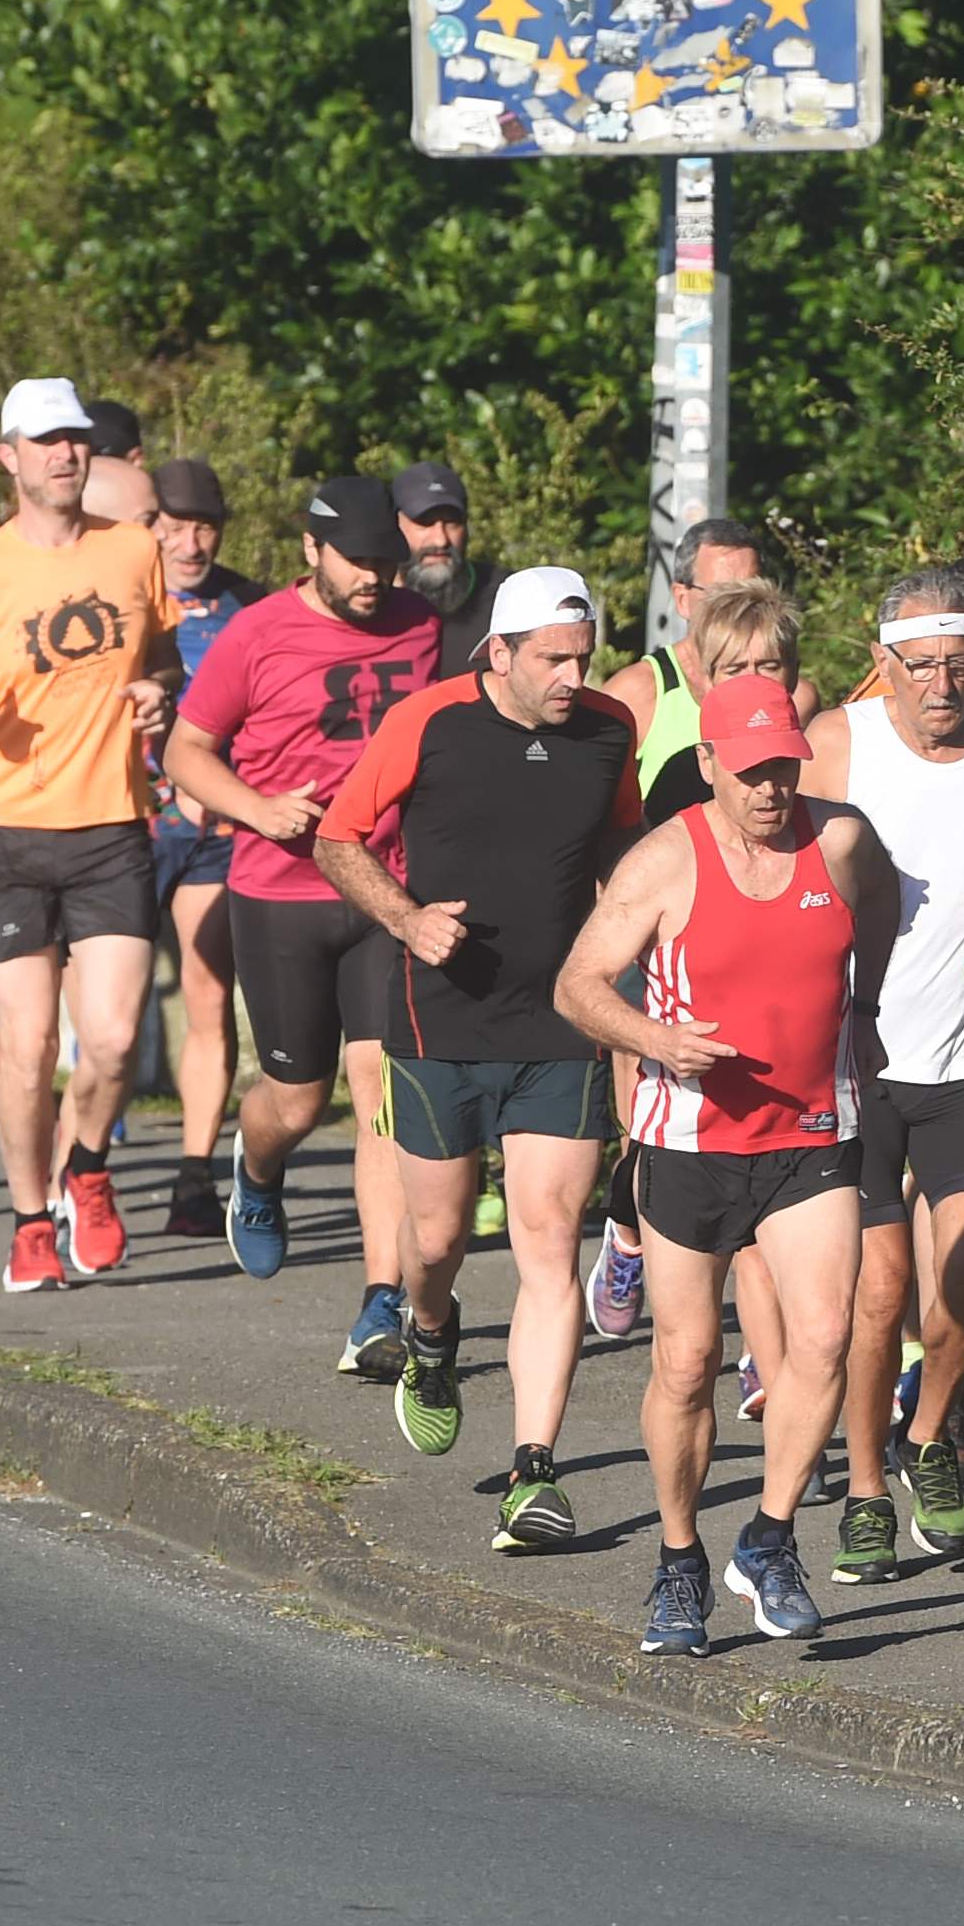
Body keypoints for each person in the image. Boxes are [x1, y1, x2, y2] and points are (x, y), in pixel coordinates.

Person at [557, 681, 894, 1653]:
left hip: (810, 1133)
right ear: (708, 764)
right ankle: (677, 1561)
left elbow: (875, 910)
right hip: (690, 1143)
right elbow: (579, 987)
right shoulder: (665, 862)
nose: (770, 787)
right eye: (749, 770)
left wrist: (860, 1010)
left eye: (783, 765)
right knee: (688, 1362)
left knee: (824, 1337)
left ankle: (770, 1537)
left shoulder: (839, 840)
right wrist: (655, 1038)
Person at [316, 569, 640, 1546]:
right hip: (439, 1018)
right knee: (440, 1237)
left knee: (549, 1242)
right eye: (552, 659)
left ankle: (533, 1474)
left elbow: (623, 864)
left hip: (559, 1023)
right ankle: (430, 1329)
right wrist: (407, 920)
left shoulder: (604, 732)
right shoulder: (427, 722)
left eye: (582, 657)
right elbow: (338, 839)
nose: (572, 677)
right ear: (496, 652)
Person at [801, 567, 964, 1584]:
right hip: (860, 1060)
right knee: (879, 1294)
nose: (942, 686)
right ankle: (867, 1487)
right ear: (882, 662)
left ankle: (933, 1439)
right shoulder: (838, 742)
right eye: (920, 667)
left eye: (959, 664)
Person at [0, 378, 179, 1292]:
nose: (65, 454)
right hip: (6, 834)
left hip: (108, 828)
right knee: (27, 1050)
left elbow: (163, 657)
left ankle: (86, 1168)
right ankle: (28, 1223)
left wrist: (158, 694)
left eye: (76, 440)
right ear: (8, 458)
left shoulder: (135, 551)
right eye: (46, 442)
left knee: (108, 1043)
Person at [163, 478, 437, 1376]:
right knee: (296, 1101)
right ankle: (258, 1167)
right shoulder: (256, 632)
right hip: (277, 892)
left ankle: (379, 1304)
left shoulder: (421, 622)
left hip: (382, 891)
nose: (375, 580)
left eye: (388, 563)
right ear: (312, 550)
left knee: (379, 1090)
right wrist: (257, 807)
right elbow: (186, 753)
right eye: (359, 563)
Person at [587, 573, 809, 1356]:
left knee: (770, 1160)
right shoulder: (684, 751)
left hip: (779, 966)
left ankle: (759, 1356)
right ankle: (627, 1228)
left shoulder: (816, 732)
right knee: (651, 1135)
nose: (756, 683)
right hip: (667, 949)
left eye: (770, 668)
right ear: (707, 673)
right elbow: (616, 829)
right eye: (736, 669)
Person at [146, 455, 266, 1233]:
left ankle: (193, 1178)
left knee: (206, 991)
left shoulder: (249, 606)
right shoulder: (120, 598)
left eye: (204, 527)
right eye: (174, 526)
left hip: (210, 833)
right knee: (101, 1019)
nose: (191, 543)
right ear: (146, 528)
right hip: (117, 828)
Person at [606, 516, 791, 819]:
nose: (739, 606)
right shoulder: (637, 692)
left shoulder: (796, 696)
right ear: (682, 599)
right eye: (722, 593)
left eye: (751, 590)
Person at [394, 461, 499, 670]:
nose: (440, 540)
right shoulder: (369, 603)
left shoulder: (505, 598)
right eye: (424, 522)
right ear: (393, 524)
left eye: (452, 522)